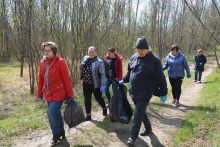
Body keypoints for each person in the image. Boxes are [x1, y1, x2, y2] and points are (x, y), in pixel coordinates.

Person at [119, 36, 168, 147]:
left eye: (141, 50)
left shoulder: (154, 61)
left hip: (145, 93)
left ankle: (132, 137)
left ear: (147, 48)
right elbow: (130, 73)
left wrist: (164, 92)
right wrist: (123, 80)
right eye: (137, 50)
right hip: (133, 92)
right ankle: (148, 128)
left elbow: (161, 78)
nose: (139, 52)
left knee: (137, 113)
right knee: (140, 112)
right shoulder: (133, 57)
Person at [37, 42, 74, 145]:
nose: (46, 52)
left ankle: (55, 135)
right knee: (54, 113)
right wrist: (39, 94)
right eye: (45, 50)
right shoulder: (42, 62)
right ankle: (61, 131)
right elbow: (40, 79)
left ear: (54, 51)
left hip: (59, 92)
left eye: (48, 50)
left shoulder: (60, 62)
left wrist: (70, 94)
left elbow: (66, 79)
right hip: (48, 93)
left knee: (52, 111)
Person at [80, 46, 107, 121]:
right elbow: (81, 68)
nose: (91, 53)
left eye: (92, 52)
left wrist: (103, 85)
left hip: (96, 84)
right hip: (86, 83)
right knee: (87, 99)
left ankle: (104, 107)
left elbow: (102, 74)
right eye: (89, 52)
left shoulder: (99, 61)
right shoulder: (85, 58)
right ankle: (88, 115)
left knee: (98, 98)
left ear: (95, 52)